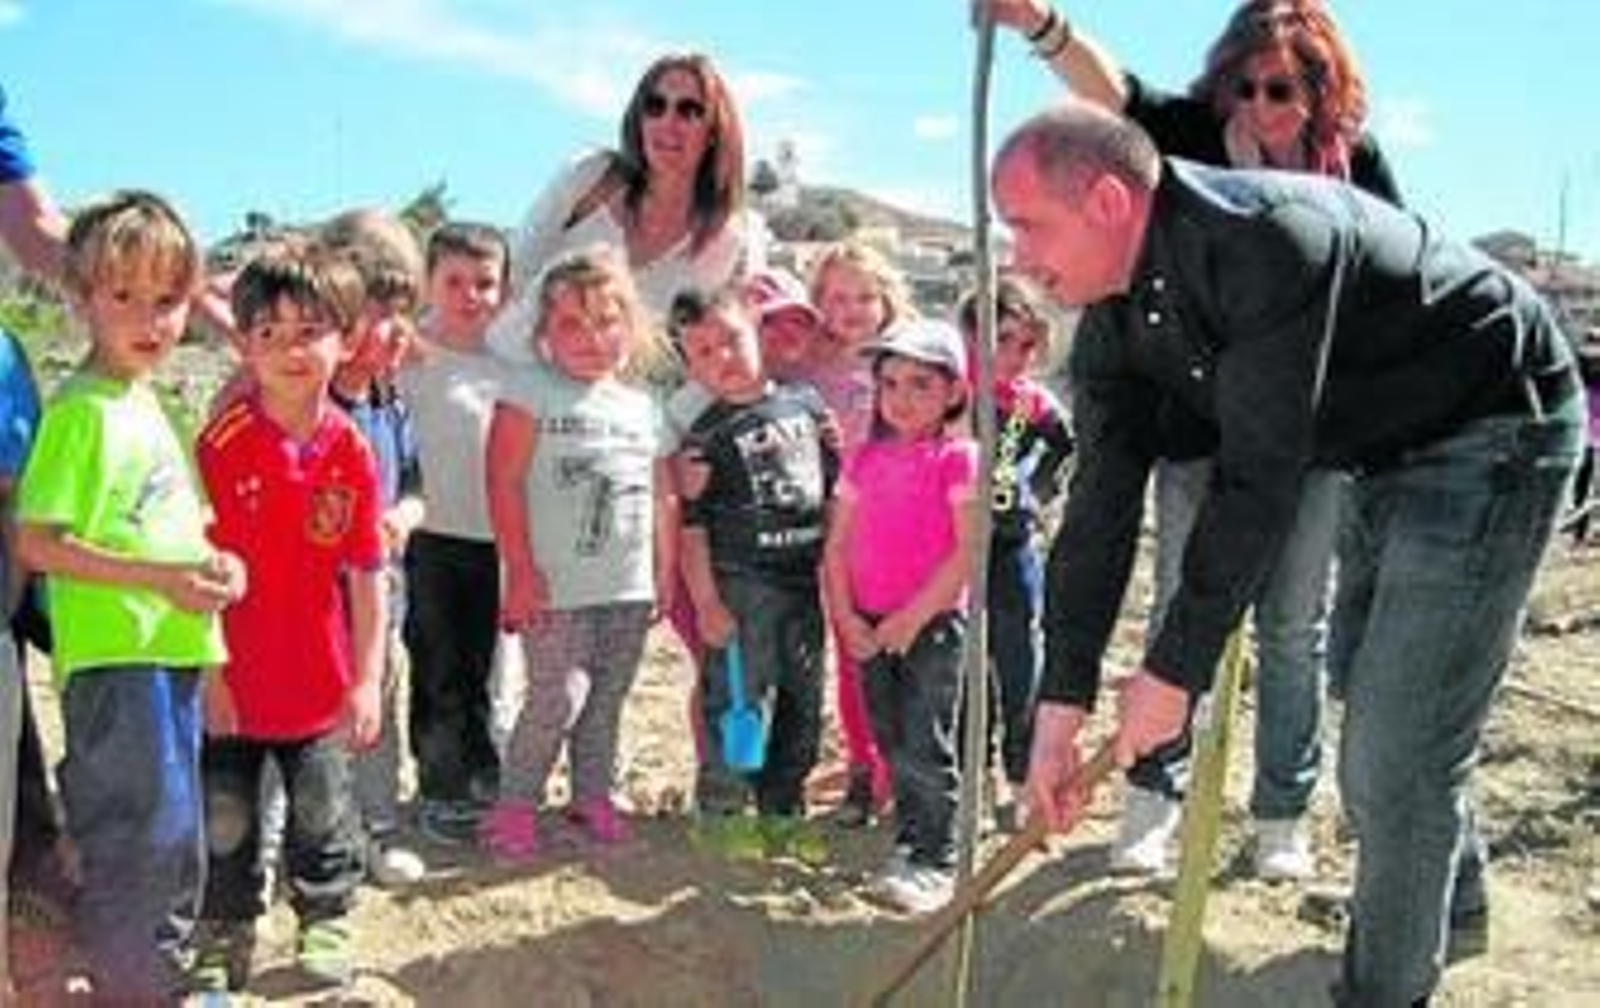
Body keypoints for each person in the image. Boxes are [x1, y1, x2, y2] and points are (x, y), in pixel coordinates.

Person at [995, 101, 1584, 1008]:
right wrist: (1061, 706)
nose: (1018, 260)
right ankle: (1452, 901)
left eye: (1027, 227)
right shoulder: (1109, 319)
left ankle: (1384, 992)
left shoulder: (1269, 243)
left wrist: (1172, 673)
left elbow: (1258, 480)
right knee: (1367, 682)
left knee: (1395, 750)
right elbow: (1101, 509)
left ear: (1109, 200)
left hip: (1494, 422)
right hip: (1377, 444)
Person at [979, 0, 1403, 879]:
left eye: (1280, 88)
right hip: (1190, 422)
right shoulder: (1188, 140)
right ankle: (1152, 793)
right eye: (1241, 85)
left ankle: (1280, 812)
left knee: (1293, 624)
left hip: (1306, 432)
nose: (1257, 103)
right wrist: (1038, 22)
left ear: (1320, 90)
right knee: (1183, 612)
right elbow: (1111, 94)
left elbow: (1385, 284)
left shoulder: (1355, 168)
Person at [14, 190, 245, 999]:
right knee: (135, 835)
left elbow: (182, 532)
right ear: (81, 298)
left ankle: (161, 974)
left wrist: (221, 574)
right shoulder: (80, 412)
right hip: (115, 663)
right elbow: (37, 542)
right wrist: (164, 582)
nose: (150, 320)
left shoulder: (152, 405)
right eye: (124, 297)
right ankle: (129, 983)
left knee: (179, 836)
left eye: (168, 301)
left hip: (172, 653)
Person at [191, 243, 386, 992]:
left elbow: (368, 574)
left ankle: (326, 914)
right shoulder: (221, 445)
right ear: (243, 345)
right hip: (231, 684)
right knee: (227, 818)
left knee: (321, 808)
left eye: (309, 331)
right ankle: (226, 931)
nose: (290, 351)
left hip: (320, 684)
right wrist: (208, 675)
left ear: (345, 337)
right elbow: (195, 571)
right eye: (267, 334)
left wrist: (366, 680)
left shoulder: (352, 452)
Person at [482, 246, 677, 861]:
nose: (591, 337)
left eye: (606, 320)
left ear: (630, 326)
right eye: (571, 323)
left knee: (607, 696)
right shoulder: (529, 392)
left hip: (626, 584)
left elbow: (661, 494)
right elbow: (503, 481)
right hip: (554, 585)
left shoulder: (643, 407)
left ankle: (592, 795)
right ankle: (515, 805)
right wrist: (520, 571)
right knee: (555, 698)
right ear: (544, 335)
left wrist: (663, 572)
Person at [669, 286, 837, 862]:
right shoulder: (704, 437)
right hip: (743, 587)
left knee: (802, 703)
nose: (724, 358)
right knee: (739, 706)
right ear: (689, 367)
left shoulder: (808, 406)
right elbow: (691, 529)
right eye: (704, 352)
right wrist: (707, 602)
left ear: (758, 335)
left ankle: (782, 811)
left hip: (804, 584)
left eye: (732, 340)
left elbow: (835, 489)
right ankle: (721, 811)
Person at [822, 318, 980, 914]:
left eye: (920, 384)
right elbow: (836, 547)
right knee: (889, 735)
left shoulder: (958, 458)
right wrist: (847, 618)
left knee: (924, 740)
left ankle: (935, 856)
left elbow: (968, 551)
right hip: (868, 622)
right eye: (890, 383)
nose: (902, 398)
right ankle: (914, 838)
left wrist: (914, 618)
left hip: (930, 625)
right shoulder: (863, 459)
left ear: (953, 393)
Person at [494, 51, 759, 330]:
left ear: (715, 131)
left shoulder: (730, 242)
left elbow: (728, 345)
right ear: (639, 118)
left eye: (689, 110)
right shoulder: (590, 177)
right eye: (655, 106)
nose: (668, 122)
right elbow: (509, 274)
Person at [322, 209, 429, 888]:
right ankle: (315, 840)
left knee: (377, 708)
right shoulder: (314, 408)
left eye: (403, 316)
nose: (397, 333)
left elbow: (418, 486)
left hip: (382, 593)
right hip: (319, 602)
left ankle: (375, 826)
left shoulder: (391, 404)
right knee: (314, 722)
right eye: (381, 315)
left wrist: (401, 517)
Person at [399, 221, 513, 843]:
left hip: (499, 540)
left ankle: (484, 779)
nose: (471, 295)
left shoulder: (513, 366)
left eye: (486, 283)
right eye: (455, 282)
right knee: (440, 667)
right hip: (431, 539)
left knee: (491, 670)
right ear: (429, 282)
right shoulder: (407, 357)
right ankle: (442, 789)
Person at [805, 240, 918, 826]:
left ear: (887, 300)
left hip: (908, 526)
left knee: (915, 652)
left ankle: (909, 768)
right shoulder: (809, 366)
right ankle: (862, 766)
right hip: (841, 534)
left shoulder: (910, 361)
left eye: (864, 296)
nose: (850, 309)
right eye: (836, 297)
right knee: (853, 656)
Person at [955, 277, 1073, 824]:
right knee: (962, 663)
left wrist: (1037, 493)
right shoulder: (952, 392)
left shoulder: (1034, 403)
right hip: (954, 550)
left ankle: (1022, 774)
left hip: (1014, 545)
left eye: (1026, 345)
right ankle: (969, 774)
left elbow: (1066, 452)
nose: (1014, 356)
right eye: (1002, 340)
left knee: (1020, 662)